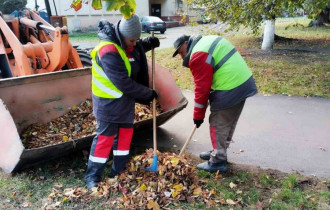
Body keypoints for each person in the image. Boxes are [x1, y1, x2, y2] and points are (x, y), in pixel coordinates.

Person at [85, 14, 160, 189]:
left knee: (125, 139)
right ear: (121, 35)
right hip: (108, 105)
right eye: (132, 40)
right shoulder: (107, 50)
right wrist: (147, 93)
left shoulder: (125, 43)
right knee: (105, 140)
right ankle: (92, 177)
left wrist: (147, 43)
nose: (135, 44)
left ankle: (118, 171)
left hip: (125, 104)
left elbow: (133, 51)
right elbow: (123, 82)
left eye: (137, 40)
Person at [172, 34, 257, 173]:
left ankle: (218, 160)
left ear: (186, 43)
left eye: (181, 52)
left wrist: (198, 116)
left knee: (218, 122)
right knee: (227, 121)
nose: (182, 57)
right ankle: (218, 151)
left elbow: (202, 89)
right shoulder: (205, 41)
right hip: (243, 82)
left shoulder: (197, 55)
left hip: (230, 86)